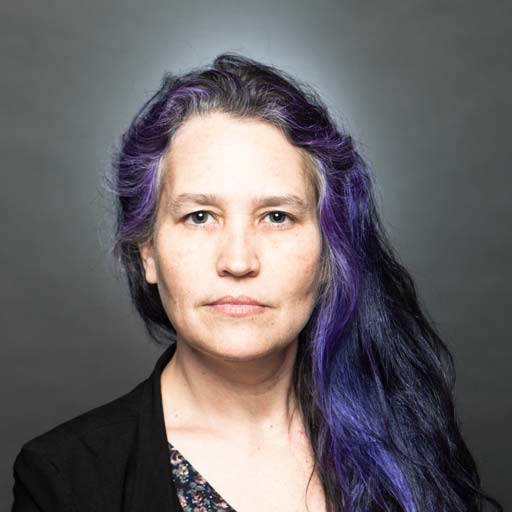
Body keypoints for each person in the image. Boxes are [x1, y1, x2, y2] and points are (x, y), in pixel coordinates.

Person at [11, 52, 503, 512]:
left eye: (277, 216)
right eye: (200, 216)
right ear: (148, 253)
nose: (239, 260)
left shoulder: (408, 440)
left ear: (329, 252)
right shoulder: (64, 480)